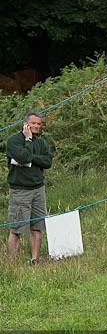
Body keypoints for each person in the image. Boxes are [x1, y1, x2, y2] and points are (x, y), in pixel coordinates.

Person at [6, 112, 53, 263]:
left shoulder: (41, 143)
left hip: (38, 189)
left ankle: (35, 260)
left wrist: (31, 158)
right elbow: (24, 157)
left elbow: (48, 162)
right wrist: (28, 140)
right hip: (20, 190)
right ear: (25, 124)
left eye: (39, 124)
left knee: (37, 227)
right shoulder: (13, 141)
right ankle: (12, 263)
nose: (36, 126)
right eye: (33, 123)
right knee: (17, 229)